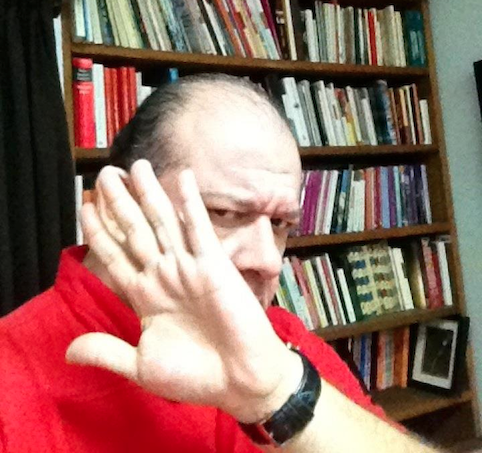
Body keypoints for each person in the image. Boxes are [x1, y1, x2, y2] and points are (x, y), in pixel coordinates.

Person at [0, 74, 442, 452]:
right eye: (225, 213)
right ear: (121, 204)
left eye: (280, 224)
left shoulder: (279, 338)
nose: (268, 261)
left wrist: (280, 396)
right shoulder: (10, 377)